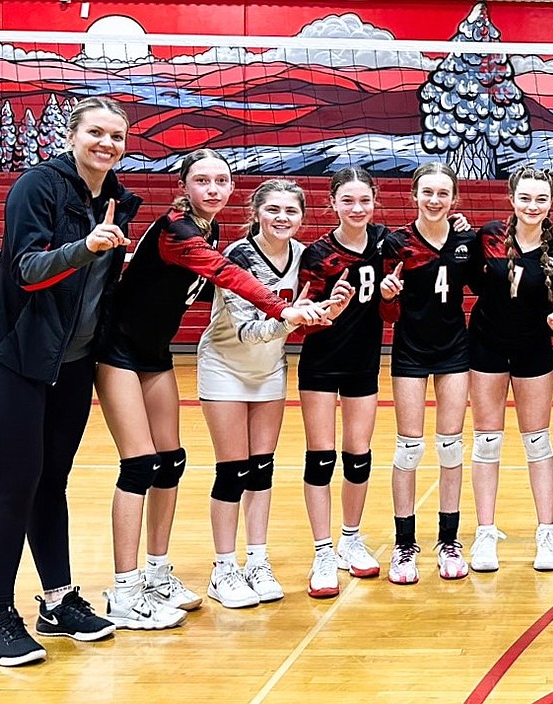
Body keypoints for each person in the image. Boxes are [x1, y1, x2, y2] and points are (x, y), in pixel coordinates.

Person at [96, 150, 325, 629]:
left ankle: (158, 572)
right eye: (203, 181)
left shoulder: (208, 227)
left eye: (222, 180)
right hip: (117, 350)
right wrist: (281, 309)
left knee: (171, 462)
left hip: (156, 354)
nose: (214, 189)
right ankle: (124, 590)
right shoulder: (178, 231)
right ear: (184, 184)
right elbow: (226, 275)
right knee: (139, 465)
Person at [0, 96, 136, 665]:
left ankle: (58, 601)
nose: (106, 144)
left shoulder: (115, 201)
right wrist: (85, 248)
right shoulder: (37, 187)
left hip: (72, 363)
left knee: (51, 481)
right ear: (72, 134)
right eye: (96, 132)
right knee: (15, 484)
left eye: (116, 136)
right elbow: (27, 271)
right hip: (8, 357)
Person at [197, 179, 351, 607]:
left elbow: (308, 314)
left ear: (302, 216)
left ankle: (257, 560)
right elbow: (248, 332)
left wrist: (328, 311)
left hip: (268, 372)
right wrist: (292, 319)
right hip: (226, 367)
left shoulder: (305, 257)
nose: (282, 218)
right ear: (256, 212)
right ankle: (224, 568)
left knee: (261, 468)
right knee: (233, 470)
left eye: (291, 211)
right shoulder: (238, 257)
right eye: (273, 210)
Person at [468, 166, 553, 573]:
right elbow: (476, 285)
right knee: (487, 442)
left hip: (533, 352)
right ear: (511, 199)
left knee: (537, 442)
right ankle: (485, 532)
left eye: (541, 199)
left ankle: (546, 533)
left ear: (551, 203)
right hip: (486, 347)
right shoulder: (489, 236)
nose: (533, 206)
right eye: (525, 198)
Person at [380, 163, 477, 583]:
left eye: (443, 193)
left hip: (454, 348)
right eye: (427, 193)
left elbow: (484, 284)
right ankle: (404, 545)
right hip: (410, 350)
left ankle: (449, 540)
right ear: (413, 196)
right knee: (409, 448)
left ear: (453, 199)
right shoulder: (395, 242)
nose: (435, 200)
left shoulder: (465, 241)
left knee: (451, 446)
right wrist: (386, 295)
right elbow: (385, 311)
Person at [297, 167, 391, 597]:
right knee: (321, 457)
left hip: (364, 364)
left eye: (364, 201)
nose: (357, 209)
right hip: (320, 364)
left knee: (358, 454)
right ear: (331, 203)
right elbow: (302, 325)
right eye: (347, 201)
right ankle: (321, 550)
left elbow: (393, 311)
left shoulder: (387, 244)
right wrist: (327, 312)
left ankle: (350, 539)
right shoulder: (317, 255)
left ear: (375, 202)